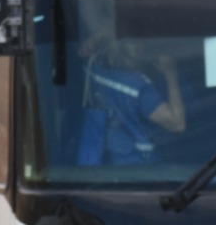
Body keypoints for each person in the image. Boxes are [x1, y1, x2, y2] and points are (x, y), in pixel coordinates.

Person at [78, 35, 185, 165]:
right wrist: (170, 72)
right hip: (138, 169)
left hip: (107, 163)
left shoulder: (93, 70)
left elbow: (85, 49)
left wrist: (101, 35)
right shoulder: (140, 88)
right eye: (138, 41)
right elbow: (177, 124)